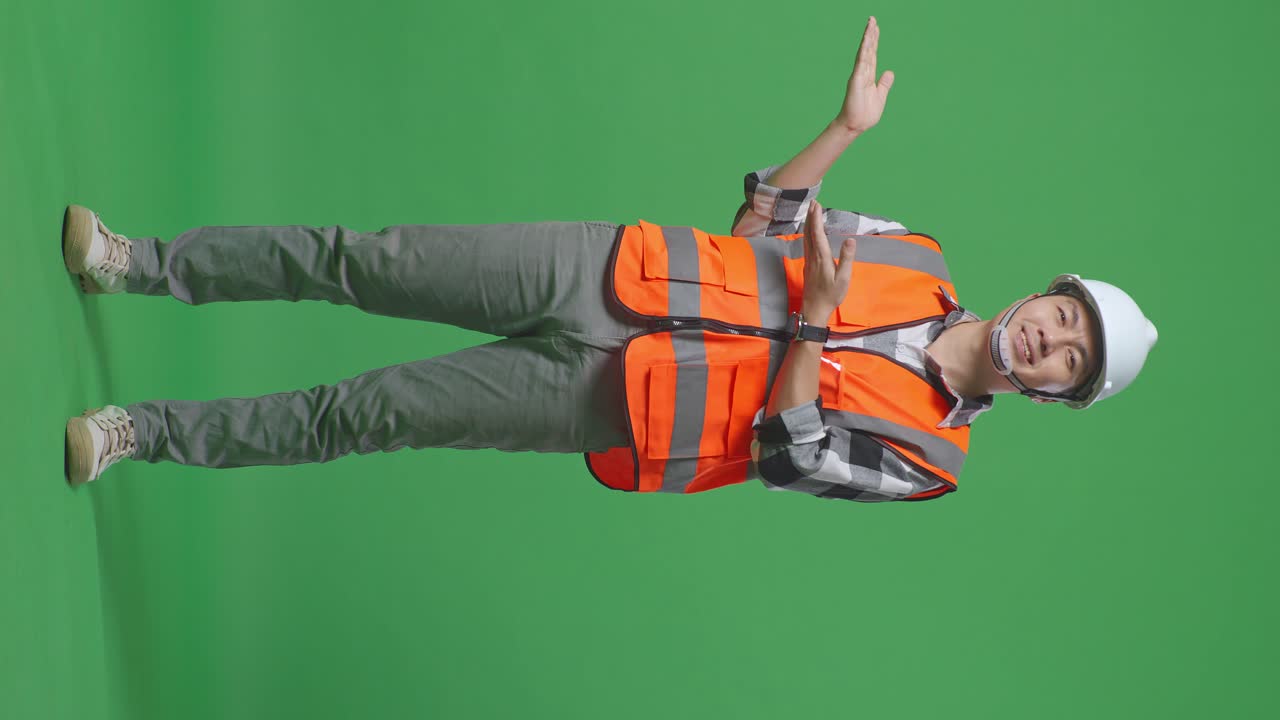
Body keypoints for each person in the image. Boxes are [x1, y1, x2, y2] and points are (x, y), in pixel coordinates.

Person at [63, 16, 1157, 502]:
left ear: (1055, 393)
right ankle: (135, 261)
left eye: (1066, 358)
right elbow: (765, 225)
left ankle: (140, 435)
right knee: (363, 259)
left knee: (369, 411)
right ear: (1043, 293)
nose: (1046, 338)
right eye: (1061, 315)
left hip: (619, 402)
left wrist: (816, 323)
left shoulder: (929, 463)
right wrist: (843, 134)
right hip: (606, 270)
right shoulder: (913, 253)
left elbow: (788, 457)